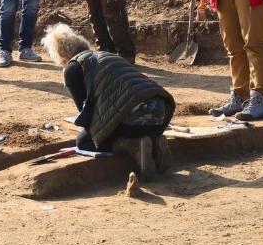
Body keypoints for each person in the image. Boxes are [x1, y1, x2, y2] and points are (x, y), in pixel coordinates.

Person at [41, 23, 175, 179]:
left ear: (60, 54)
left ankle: (133, 144)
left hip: (134, 120)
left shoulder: (73, 68)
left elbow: (86, 116)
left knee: (84, 141)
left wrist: (90, 131)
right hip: (160, 114)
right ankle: (155, 139)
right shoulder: (108, 56)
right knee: (127, 123)